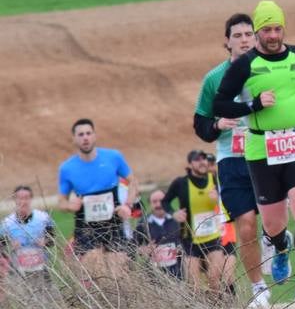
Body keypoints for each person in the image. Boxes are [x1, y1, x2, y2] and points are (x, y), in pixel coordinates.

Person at [213, 0, 295, 302]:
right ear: (257, 33)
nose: (273, 35)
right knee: (272, 223)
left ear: (284, 28)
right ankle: (281, 246)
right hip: (263, 147)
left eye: (277, 28)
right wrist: (253, 105)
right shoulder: (245, 65)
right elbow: (220, 103)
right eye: (266, 30)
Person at [194, 13, 270, 308]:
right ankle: (259, 288)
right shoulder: (214, 79)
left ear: (256, 38)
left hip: (266, 152)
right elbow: (200, 124)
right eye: (237, 36)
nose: (243, 40)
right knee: (246, 223)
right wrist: (216, 126)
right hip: (231, 159)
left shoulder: (265, 69)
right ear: (227, 42)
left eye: (248, 34)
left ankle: (276, 241)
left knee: (273, 223)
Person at [57, 119, 137, 282]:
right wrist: (70, 205)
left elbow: (134, 182)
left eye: (88, 133)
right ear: (74, 139)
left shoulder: (113, 157)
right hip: (86, 228)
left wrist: (127, 205)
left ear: (94, 136)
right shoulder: (67, 168)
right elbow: (61, 202)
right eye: (80, 134)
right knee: (98, 279)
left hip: (113, 224)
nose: (85, 138)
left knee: (120, 278)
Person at [164, 150, 228, 296]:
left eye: (204, 159)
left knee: (214, 280)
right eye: (197, 160)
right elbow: (165, 201)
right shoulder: (180, 183)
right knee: (194, 286)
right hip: (190, 241)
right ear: (190, 164)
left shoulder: (215, 179)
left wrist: (218, 198)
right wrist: (174, 213)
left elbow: (229, 200)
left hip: (213, 238)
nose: (202, 162)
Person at [1, 185, 57, 283]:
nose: (23, 202)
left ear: (31, 199)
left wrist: (46, 242)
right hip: (17, 270)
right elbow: (1, 247)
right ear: (14, 199)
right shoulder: (7, 223)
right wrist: (10, 246)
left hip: (42, 268)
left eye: (26, 198)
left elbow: (53, 240)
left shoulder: (43, 218)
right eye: (20, 198)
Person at [135, 189, 183, 279]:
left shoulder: (178, 220)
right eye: (154, 202)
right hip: (154, 275)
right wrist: (143, 250)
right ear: (150, 204)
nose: (158, 204)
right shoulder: (143, 223)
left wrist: (181, 248)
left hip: (178, 272)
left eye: (161, 201)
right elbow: (132, 245)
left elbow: (190, 242)